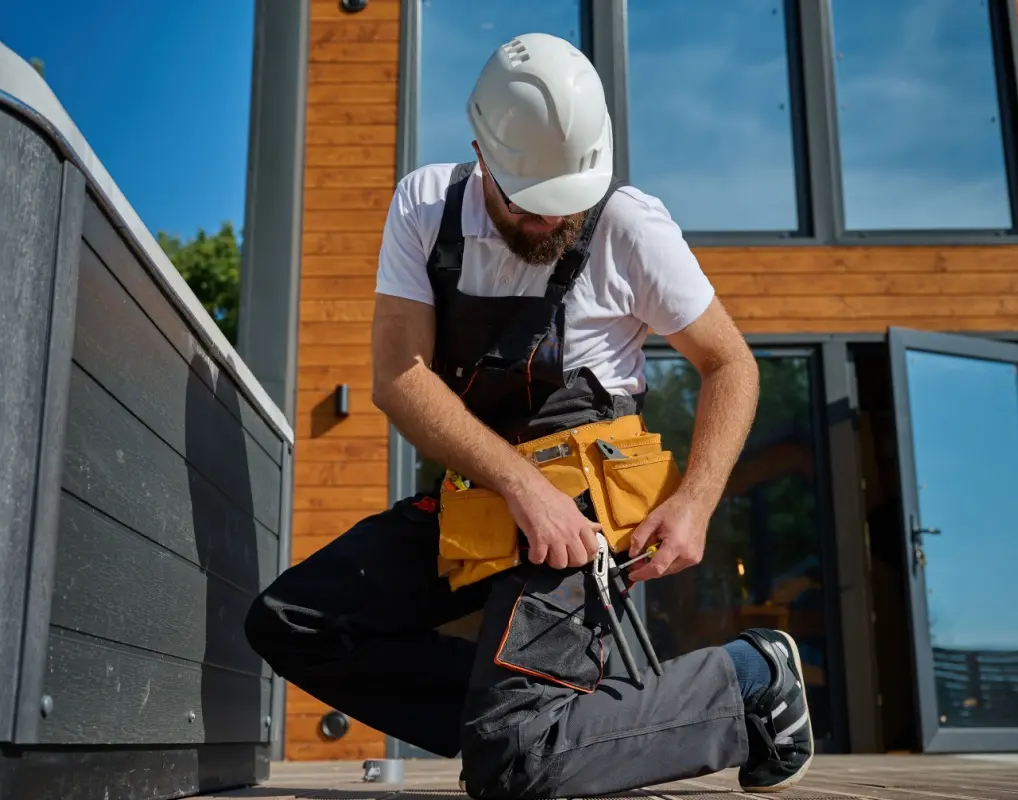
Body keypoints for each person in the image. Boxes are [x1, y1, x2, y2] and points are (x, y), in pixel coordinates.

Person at [245, 32, 813, 798]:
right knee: (293, 621)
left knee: (514, 766)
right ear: (483, 154)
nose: (553, 223)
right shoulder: (426, 209)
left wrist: (696, 500)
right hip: (484, 498)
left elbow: (731, 364)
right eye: (530, 205)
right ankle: (539, 729)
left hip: (586, 517)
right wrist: (519, 485)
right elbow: (399, 377)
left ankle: (750, 676)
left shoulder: (629, 228)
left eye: (566, 203)